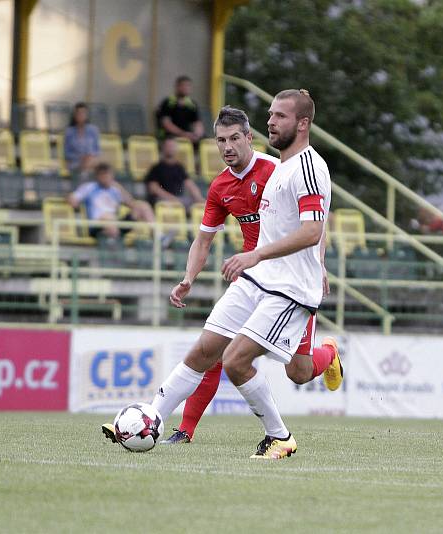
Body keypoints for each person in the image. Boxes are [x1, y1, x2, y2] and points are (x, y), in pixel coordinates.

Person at [113, 91, 336, 459]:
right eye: (270, 115)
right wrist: (193, 276)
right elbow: (208, 239)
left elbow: (314, 229)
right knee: (206, 349)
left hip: (289, 288)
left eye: (279, 116)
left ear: (302, 124)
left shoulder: (303, 168)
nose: (271, 122)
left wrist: (270, 257)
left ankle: (283, 432)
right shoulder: (277, 171)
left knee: (282, 368)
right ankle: (153, 418)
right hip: (257, 279)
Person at [67, 162, 154, 239]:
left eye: (108, 174)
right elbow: (73, 198)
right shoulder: (89, 187)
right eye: (103, 175)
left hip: (116, 224)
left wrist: (120, 188)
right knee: (108, 218)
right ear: (98, 176)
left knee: (143, 206)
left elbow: (131, 203)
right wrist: (74, 202)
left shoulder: (115, 189)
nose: (106, 177)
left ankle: (157, 236)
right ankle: (115, 242)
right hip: (98, 225)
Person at [145, 138, 204, 208]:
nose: (170, 149)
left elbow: (190, 184)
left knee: (197, 205)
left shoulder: (179, 167)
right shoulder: (156, 168)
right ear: (163, 148)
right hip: (162, 200)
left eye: (172, 146)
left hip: (178, 199)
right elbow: (153, 188)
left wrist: (199, 199)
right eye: (168, 146)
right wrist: (172, 199)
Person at [156, 75, 204, 143]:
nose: (186, 88)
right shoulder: (167, 102)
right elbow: (166, 124)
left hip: (188, 135)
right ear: (177, 87)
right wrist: (183, 134)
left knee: (211, 143)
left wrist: (197, 134)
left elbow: (198, 123)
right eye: (183, 85)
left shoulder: (192, 104)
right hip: (169, 135)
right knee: (170, 143)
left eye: (188, 86)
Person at [63, 102, 100, 175]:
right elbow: (67, 153)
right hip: (75, 162)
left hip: (91, 161)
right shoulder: (69, 132)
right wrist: (80, 157)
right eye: (79, 113)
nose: (81, 115)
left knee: (96, 165)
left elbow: (97, 150)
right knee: (85, 166)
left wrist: (89, 156)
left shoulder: (93, 130)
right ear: (75, 115)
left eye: (83, 113)